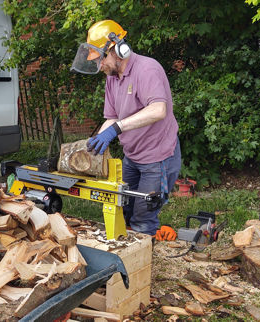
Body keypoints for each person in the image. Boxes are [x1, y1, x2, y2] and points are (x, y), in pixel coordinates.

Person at [71, 20, 181, 240]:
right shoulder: (112, 78)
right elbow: (112, 117)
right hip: (132, 155)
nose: (100, 66)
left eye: (101, 59)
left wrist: (118, 128)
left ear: (118, 50)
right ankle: (126, 250)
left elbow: (159, 109)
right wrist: (97, 140)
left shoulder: (147, 69)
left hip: (156, 156)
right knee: (122, 207)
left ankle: (141, 263)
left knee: (144, 216)